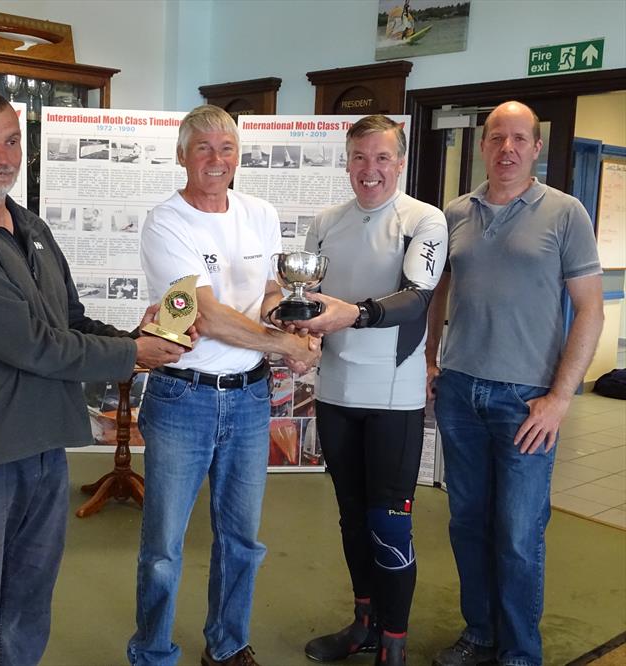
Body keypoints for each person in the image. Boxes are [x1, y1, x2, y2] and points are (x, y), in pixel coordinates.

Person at [0, 89, 188, 666]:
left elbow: (70, 320)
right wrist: (134, 354)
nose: (1, 156)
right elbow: (28, 344)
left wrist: (142, 334)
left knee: (26, 607)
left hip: (42, 447)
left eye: (12, 141)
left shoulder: (28, 225)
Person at [126, 104, 320, 666]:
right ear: (182, 155)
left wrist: (293, 319)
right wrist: (286, 347)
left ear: (239, 155)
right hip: (183, 397)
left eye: (227, 148)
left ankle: (228, 644)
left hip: (249, 399)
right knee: (163, 548)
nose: (217, 160)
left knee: (242, 540)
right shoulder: (167, 222)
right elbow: (203, 314)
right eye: (204, 148)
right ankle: (153, 652)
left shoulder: (260, 213)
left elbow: (265, 294)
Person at [426, 101, 604, 666]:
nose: (507, 148)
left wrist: (558, 399)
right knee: (467, 523)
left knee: (519, 535)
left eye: (519, 138)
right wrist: (432, 361)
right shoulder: (454, 212)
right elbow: (436, 294)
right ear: (482, 145)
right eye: (497, 137)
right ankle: (479, 635)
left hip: (526, 403)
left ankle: (520, 653)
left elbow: (590, 311)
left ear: (535, 148)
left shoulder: (566, 212)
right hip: (459, 394)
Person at [279, 115, 447, 666]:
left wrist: (355, 313)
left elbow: (416, 298)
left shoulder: (424, 219)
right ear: (347, 162)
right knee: (352, 516)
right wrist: (293, 329)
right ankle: (364, 624)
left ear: (400, 162)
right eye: (359, 158)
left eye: (381, 158)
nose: (369, 170)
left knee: (388, 520)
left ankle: (393, 645)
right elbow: (309, 299)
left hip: (394, 396)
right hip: (336, 392)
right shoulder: (326, 222)